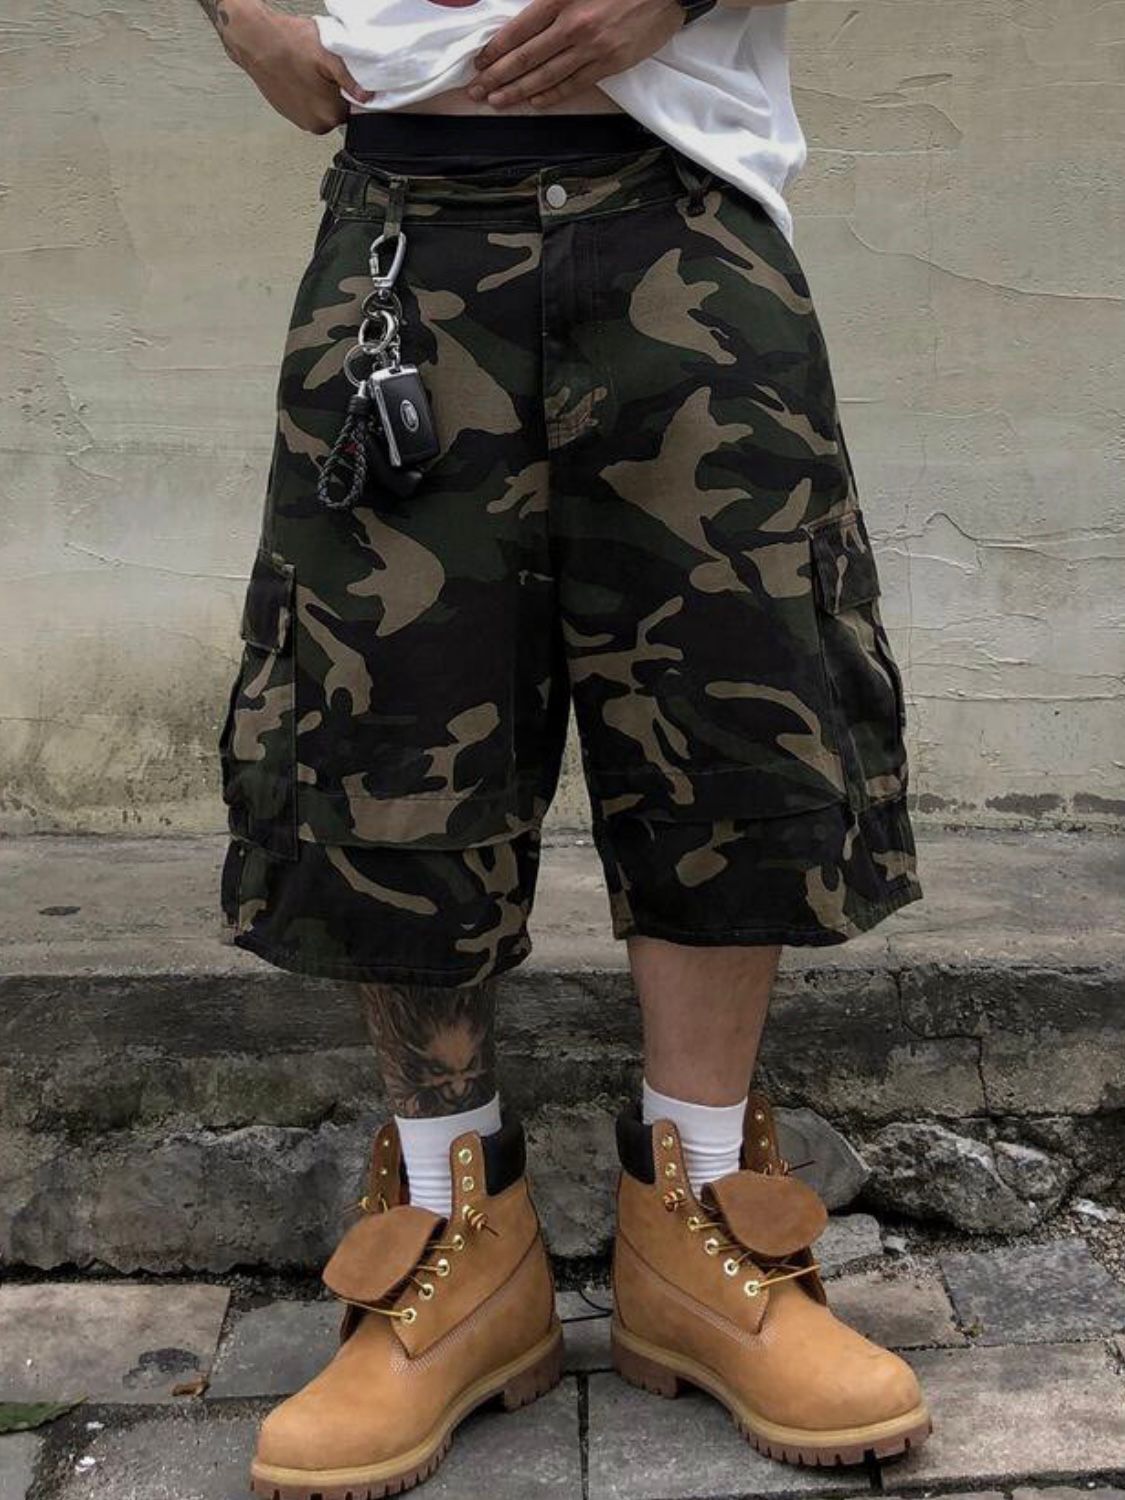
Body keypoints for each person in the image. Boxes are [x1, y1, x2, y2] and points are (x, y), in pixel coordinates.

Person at [204, 0, 931, 1493]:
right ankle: (453, 1236)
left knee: (735, 706)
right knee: (385, 717)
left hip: (682, 209)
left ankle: (702, 1225)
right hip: (407, 228)